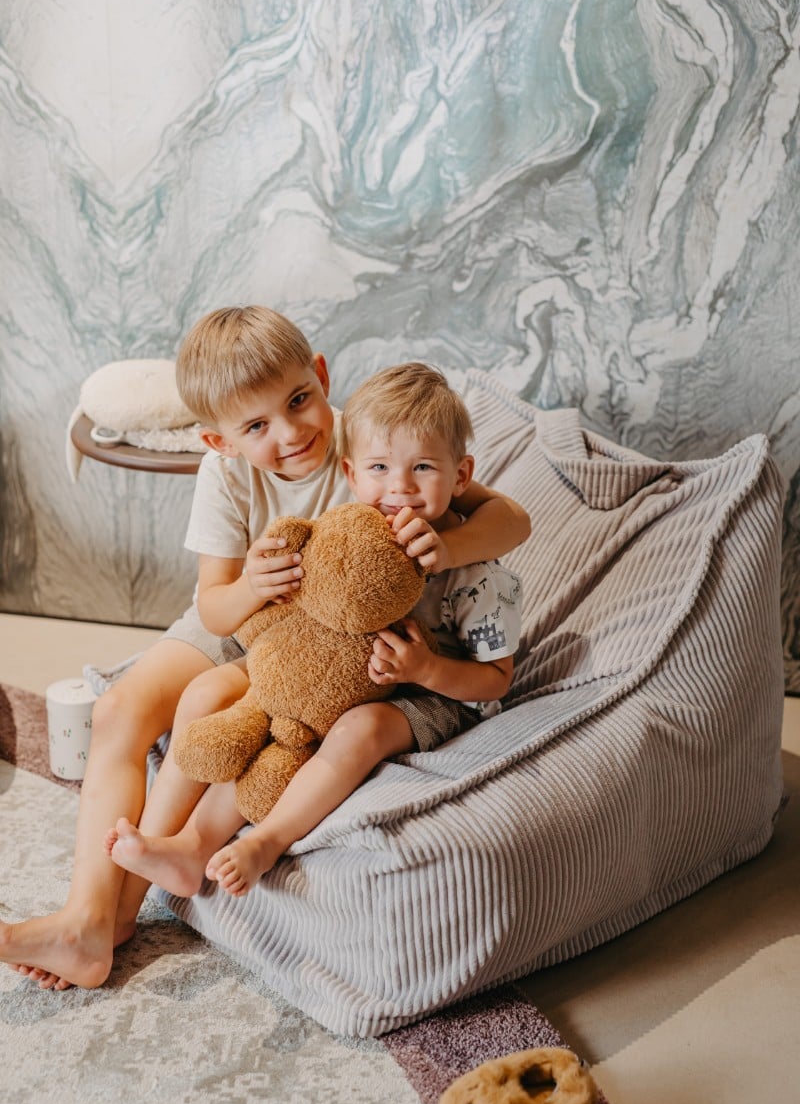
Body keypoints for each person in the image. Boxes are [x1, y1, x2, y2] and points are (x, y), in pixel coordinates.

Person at [0, 309, 530, 990]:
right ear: (218, 440)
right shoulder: (225, 476)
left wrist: (448, 549)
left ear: (321, 377)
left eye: (299, 401)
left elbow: (511, 519)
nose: (290, 432)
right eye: (255, 427)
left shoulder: (374, 446)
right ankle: (92, 916)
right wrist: (252, 584)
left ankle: (104, 923)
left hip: (326, 650)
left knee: (247, 709)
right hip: (243, 623)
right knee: (118, 712)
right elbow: (214, 606)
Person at [106, 362, 523, 899]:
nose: (399, 488)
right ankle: (190, 846)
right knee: (262, 702)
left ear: (461, 477)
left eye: (422, 467)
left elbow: (495, 680)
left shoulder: (479, 576)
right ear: (352, 474)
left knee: (358, 728)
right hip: (336, 674)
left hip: (431, 693)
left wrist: (426, 669)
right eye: (379, 468)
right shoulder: (347, 531)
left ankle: (267, 840)